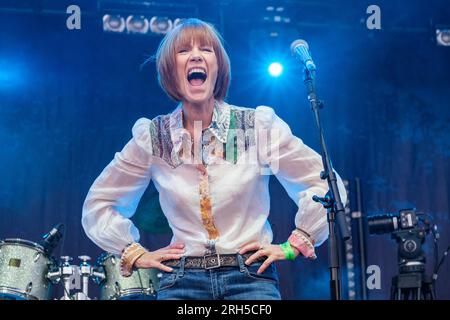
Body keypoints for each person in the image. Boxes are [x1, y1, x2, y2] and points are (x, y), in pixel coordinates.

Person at [82, 18, 347, 300]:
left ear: (218, 66)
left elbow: (324, 183)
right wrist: (133, 252)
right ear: (170, 71)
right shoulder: (153, 137)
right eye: (183, 51)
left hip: (250, 279)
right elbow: (100, 203)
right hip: (182, 280)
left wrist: (296, 242)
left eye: (206, 49)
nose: (196, 55)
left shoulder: (256, 125)